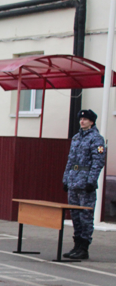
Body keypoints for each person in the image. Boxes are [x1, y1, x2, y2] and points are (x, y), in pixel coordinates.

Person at [62, 109, 106, 260]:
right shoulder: (76, 138)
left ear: (92, 121)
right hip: (74, 181)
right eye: (81, 119)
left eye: (85, 119)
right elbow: (70, 160)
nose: (82, 121)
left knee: (85, 216)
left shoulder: (96, 139)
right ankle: (76, 245)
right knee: (75, 216)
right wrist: (66, 179)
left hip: (85, 182)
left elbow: (98, 162)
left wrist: (91, 181)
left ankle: (84, 247)